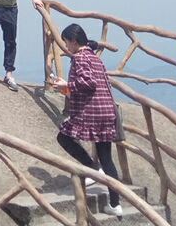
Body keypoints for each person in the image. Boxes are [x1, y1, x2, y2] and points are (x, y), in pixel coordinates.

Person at [54, 23, 124, 217]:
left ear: (74, 41)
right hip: (106, 111)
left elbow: (88, 82)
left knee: (63, 138)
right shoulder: (95, 58)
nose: (66, 47)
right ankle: (115, 204)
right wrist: (66, 88)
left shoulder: (80, 58)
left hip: (91, 112)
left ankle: (93, 169)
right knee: (107, 158)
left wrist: (66, 84)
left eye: (67, 42)